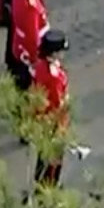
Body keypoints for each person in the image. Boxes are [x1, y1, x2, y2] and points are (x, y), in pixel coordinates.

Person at [31, 28, 73, 186]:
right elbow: (58, 103)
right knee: (53, 159)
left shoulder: (41, 67)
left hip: (42, 120)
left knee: (44, 155)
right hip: (53, 123)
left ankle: (41, 182)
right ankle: (48, 189)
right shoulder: (53, 76)